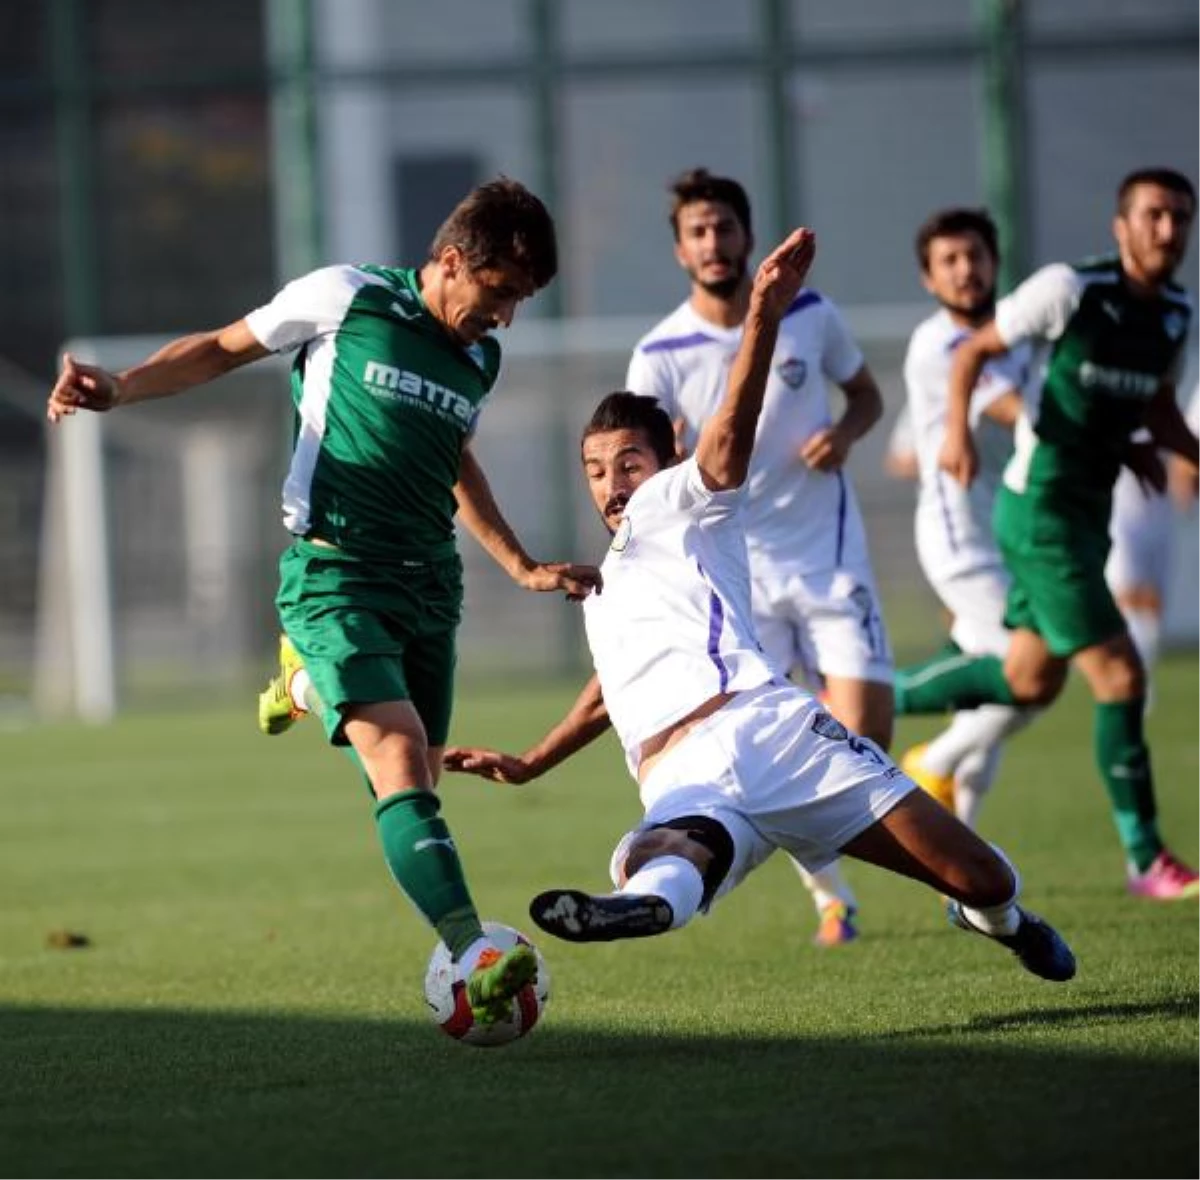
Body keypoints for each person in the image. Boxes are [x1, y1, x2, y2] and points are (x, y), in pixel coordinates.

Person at [445, 225, 1076, 985]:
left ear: (667, 456)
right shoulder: (599, 582)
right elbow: (610, 692)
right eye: (596, 470)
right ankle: (636, 905)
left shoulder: (685, 502)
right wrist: (530, 762)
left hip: (770, 734)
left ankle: (1005, 921)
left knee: (981, 877)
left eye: (629, 462)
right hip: (677, 771)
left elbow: (729, 439)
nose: (613, 484)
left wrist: (763, 319)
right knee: (668, 860)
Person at [46, 177, 602, 1024]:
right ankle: (473, 949)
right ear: (452, 262)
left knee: (414, 786)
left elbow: (453, 458)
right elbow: (224, 346)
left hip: (431, 585)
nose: (508, 317)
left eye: (521, 301)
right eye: (500, 294)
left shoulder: (480, 356)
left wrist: (520, 564)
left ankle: (305, 686)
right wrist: (121, 388)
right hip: (335, 574)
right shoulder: (347, 296)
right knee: (401, 762)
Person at [901, 167, 1200, 900]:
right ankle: (1145, 857)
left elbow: (1158, 409)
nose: (1168, 231)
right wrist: (958, 436)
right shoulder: (1070, 288)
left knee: (1031, 678)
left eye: (1181, 218)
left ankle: (874, 691)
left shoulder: (1176, 313)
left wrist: (1166, 448)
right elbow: (971, 354)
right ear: (1120, 227)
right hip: (1038, 515)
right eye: (1154, 216)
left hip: (1087, 514)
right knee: (1121, 675)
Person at [624, 169, 893, 946]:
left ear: (746, 236)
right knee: (766, 759)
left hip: (828, 556)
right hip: (734, 583)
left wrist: (843, 434)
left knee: (864, 739)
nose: (713, 243)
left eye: (724, 228)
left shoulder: (809, 314)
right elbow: (645, 464)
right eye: (697, 232)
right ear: (680, 250)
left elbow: (866, 395)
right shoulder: (662, 353)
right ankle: (831, 898)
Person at [889, 208, 1040, 829]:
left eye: (974, 256)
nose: (965, 270)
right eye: (948, 261)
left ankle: (966, 855)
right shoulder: (939, 343)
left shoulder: (1020, 337)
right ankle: (891, 717)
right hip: (961, 535)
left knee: (1002, 692)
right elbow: (1012, 410)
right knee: (1027, 672)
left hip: (1017, 534)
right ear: (929, 278)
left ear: (995, 263)